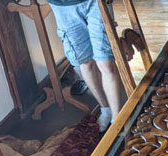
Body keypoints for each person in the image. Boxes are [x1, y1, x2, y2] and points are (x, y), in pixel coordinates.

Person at [48, 0, 126, 132]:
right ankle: (105, 109)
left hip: (96, 2)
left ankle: (117, 121)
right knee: (85, 62)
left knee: (106, 63)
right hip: (63, 6)